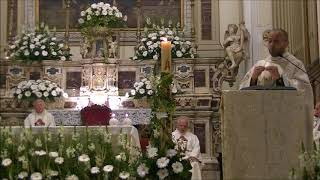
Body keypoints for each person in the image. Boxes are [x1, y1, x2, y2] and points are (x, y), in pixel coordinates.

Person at [239, 29, 314, 105]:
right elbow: (242, 89)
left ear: (286, 43)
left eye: (276, 41)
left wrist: (280, 80)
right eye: (270, 41)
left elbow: (304, 91)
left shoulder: (295, 64)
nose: (272, 45)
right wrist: (253, 79)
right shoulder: (260, 64)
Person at [172, 116, 202, 180]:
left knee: (194, 164)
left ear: (187, 126)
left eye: (185, 126)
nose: (183, 128)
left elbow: (196, 148)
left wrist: (192, 156)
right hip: (175, 157)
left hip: (189, 158)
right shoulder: (172, 136)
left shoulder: (193, 137)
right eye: (181, 125)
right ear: (177, 125)